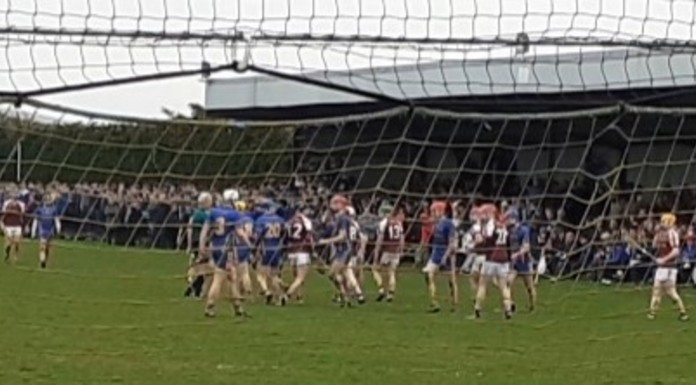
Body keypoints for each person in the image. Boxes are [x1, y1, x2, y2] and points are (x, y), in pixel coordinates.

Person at [199, 189, 245, 318]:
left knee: (231, 277)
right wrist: (247, 241)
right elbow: (239, 232)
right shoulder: (234, 214)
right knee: (219, 278)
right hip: (227, 248)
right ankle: (210, 306)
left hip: (215, 247)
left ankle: (238, 307)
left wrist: (202, 246)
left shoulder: (214, 212)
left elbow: (205, 230)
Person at [473, 205, 513, 320]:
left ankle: (477, 308)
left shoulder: (491, 225)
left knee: (483, 284)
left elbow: (487, 239)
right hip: (503, 259)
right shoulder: (504, 228)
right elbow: (508, 244)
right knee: (503, 286)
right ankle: (508, 309)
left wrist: (479, 246)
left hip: (491, 258)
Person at [648, 213, 688, 321]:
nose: (662, 223)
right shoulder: (661, 233)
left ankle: (681, 312)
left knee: (666, 291)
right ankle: (653, 313)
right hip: (663, 267)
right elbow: (655, 245)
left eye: (664, 221)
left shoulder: (672, 233)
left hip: (668, 267)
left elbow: (676, 251)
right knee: (661, 290)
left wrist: (663, 260)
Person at [421, 201, 458, 313]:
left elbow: (452, 242)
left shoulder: (449, 223)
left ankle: (454, 304)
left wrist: (446, 256)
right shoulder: (437, 224)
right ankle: (434, 303)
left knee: (451, 280)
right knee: (428, 275)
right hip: (435, 255)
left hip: (445, 256)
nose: (432, 213)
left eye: (434, 211)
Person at [317, 195, 353, 307]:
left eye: (334, 203)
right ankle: (345, 296)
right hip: (339, 250)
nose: (331, 205)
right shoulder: (338, 218)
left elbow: (342, 236)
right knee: (336, 274)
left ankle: (345, 294)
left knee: (333, 273)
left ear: (341, 205)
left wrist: (326, 241)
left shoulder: (342, 218)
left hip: (344, 250)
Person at [254, 199, 287, 305]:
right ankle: (281, 295)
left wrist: (255, 248)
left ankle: (267, 291)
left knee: (260, 275)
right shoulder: (280, 220)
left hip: (266, 248)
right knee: (274, 274)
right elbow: (284, 234)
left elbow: (258, 237)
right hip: (277, 248)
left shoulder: (261, 220)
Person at [373, 204, 405, 302]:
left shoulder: (385, 222)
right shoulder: (399, 223)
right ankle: (391, 293)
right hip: (396, 251)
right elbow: (402, 238)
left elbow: (380, 238)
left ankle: (381, 289)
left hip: (386, 250)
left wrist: (376, 252)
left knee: (375, 269)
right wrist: (401, 250)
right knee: (391, 272)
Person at [507, 209, 537, 313]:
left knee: (529, 286)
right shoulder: (510, 231)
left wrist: (517, 254)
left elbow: (526, 247)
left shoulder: (524, 230)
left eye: (509, 218)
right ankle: (511, 304)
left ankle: (532, 306)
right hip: (514, 263)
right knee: (508, 282)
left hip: (524, 262)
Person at [285, 204, 315, 303]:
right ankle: (287, 295)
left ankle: (300, 296)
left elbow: (287, 237)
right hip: (303, 251)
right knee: (300, 277)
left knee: (296, 276)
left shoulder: (290, 222)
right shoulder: (306, 221)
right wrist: (313, 250)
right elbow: (309, 237)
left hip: (291, 251)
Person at [184, 192, 212, 298]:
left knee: (200, 267)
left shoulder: (195, 214)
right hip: (203, 243)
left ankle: (194, 289)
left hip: (195, 242)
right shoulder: (206, 215)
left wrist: (189, 244)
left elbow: (189, 229)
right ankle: (194, 289)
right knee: (205, 268)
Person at [32, 192, 61, 269]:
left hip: (50, 231)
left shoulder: (54, 209)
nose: (47, 200)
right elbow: (35, 220)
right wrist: (33, 231)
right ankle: (42, 261)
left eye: (48, 198)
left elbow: (56, 220)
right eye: (46, 198)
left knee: (47, 248)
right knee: (42, 247)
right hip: (42, 230)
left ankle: (45, 260)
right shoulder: (40, 209)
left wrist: (58, 229)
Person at [233, 200, 255, 298]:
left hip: (239, 245)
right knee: (245, 270)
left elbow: (241, 234)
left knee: (238, 272)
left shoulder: (236, 219)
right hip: (247, 245)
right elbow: (251, 233)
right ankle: (246, 290)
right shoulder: (249, 219)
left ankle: (243, 292)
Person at [345, 206, 367, 304]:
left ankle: (355, 293)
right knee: (350, 273)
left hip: (345, 252)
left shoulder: (344, 224)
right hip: (353, 251)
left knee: (348, 274)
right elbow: (360, 238)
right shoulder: (355, 224)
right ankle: (354, 293)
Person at [1, 189, 25, 264]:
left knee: (17, 242)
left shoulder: (21, 204)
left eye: (16, 193)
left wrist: (23, 225)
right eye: (13, 193)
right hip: (8, 225)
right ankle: (7, 254)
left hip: (17, 225)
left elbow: (22, 215)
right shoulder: (6, 203)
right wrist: (2, 225)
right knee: (8, 243)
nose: (14, 195)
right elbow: (3, 214)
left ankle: (15, 256)